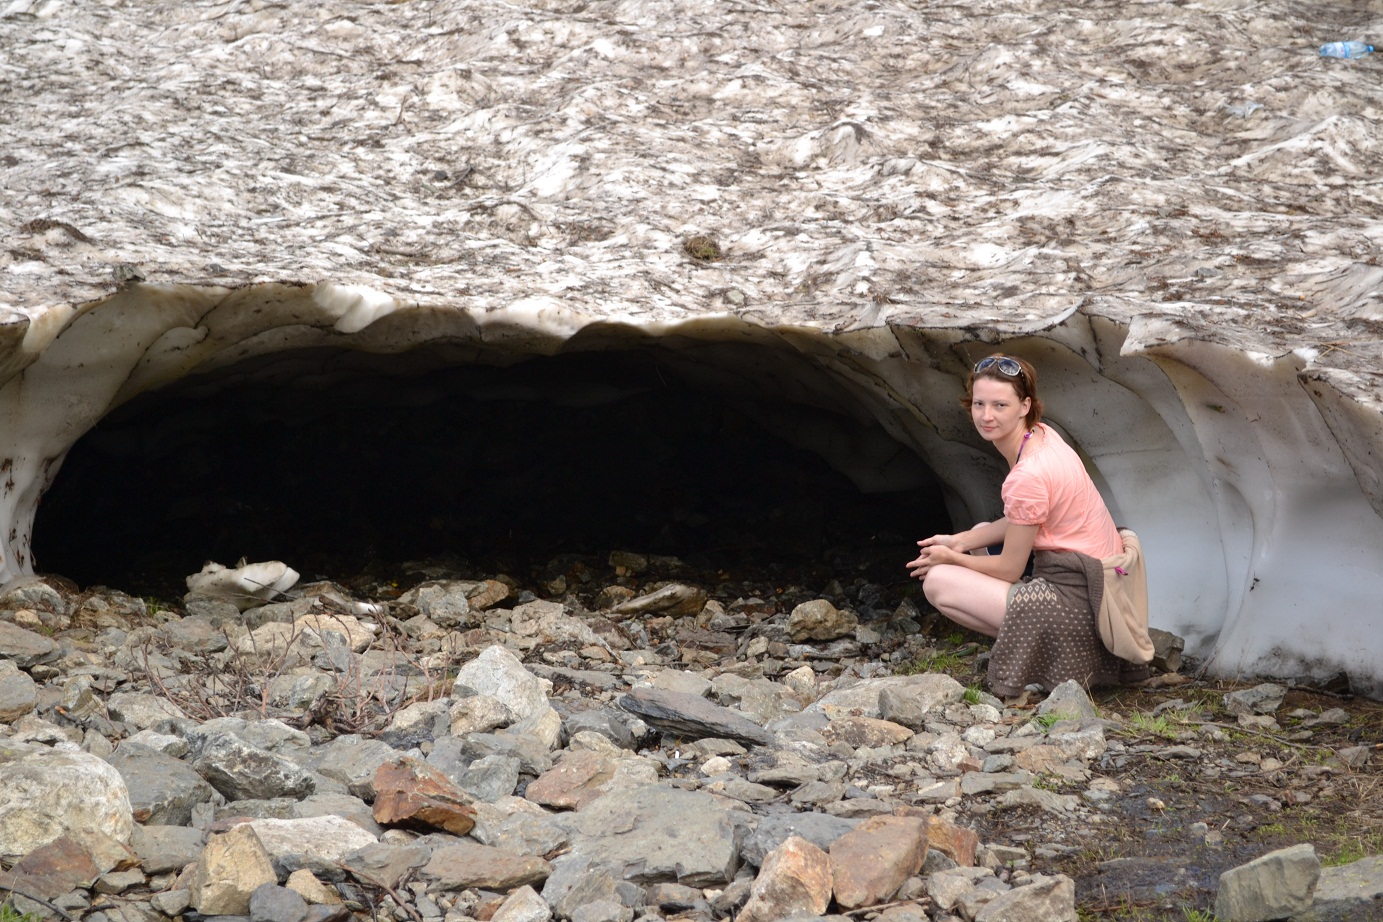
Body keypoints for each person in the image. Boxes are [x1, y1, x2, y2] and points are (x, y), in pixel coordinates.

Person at [906, 354, 1150, 698]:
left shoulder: (1028, 475)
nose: (986, 416)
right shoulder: (1043, 436)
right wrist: (959, 540)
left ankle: (1041, 653)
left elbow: (1009, 568)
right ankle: (1032, 630)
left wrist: (950, 557)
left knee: (937, 582)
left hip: (1080, 605)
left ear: (1025, 406)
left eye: (1000, 405)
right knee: (978, 532)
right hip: (1102, 590)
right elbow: (1026, 516)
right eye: (979, 403)